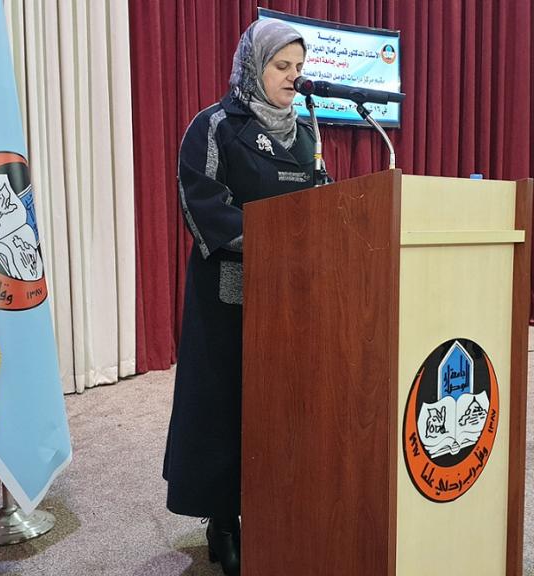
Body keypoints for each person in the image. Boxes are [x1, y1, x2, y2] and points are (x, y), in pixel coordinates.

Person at [162, 19, 315, 576]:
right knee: (227, 405)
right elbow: (204, 204)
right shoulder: (215, 126)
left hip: (295, 296)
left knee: (285, 405)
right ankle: (223, 521)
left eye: (299, 68)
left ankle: (280, 509)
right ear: (254, 66)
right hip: (230, 297)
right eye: (281, 66)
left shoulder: (306, 131)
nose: (293, 77)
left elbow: (321, 199)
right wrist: (280, 240)